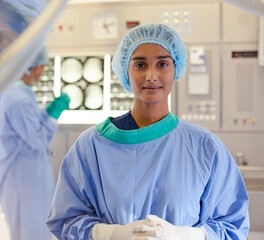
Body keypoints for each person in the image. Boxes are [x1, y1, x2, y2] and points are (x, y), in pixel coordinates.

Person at [46, 23, 249, 240]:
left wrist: (186, 235)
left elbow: (232, 224)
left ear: (176, 69)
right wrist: (111, 234)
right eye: (140, 65)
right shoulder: (90, 147)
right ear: (126, 69)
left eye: (162, 64)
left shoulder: (205, 148)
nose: (151, 75)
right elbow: (66, 220)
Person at [0, 46, 70, 240]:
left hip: (31, 177)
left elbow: (32, 124)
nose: (44, 70)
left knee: (38, 230)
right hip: (23, 182)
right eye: (44, 66)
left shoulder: (23, 94)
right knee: (29, 233)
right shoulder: (16, 98)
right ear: (35, 67)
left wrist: (48, 111)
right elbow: (37, 139)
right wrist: (54, 116)